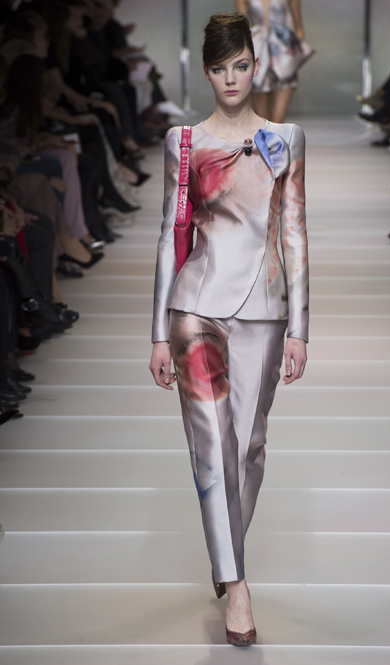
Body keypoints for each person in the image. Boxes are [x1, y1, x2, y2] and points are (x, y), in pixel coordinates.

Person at [149, 12, 308, 647]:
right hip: (197, 306)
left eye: (240, 65)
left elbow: (294, 234)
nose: (231, 78)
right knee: (213, 446)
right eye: (219, 69)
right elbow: (170, 236)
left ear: (256, 64)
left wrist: (301, 327)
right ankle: (237, 585)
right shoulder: (183, 142)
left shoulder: (286, 139)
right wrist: (157, 332)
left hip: (265, 309)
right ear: (207, 73)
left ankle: (226, 552)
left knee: (249, 447)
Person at [236, 0, 308, 122]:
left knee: (278, 120)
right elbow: (241, 28)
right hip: (257, 52)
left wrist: (292, 50)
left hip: (283, 54)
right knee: (262, 119)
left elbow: (299, 29)